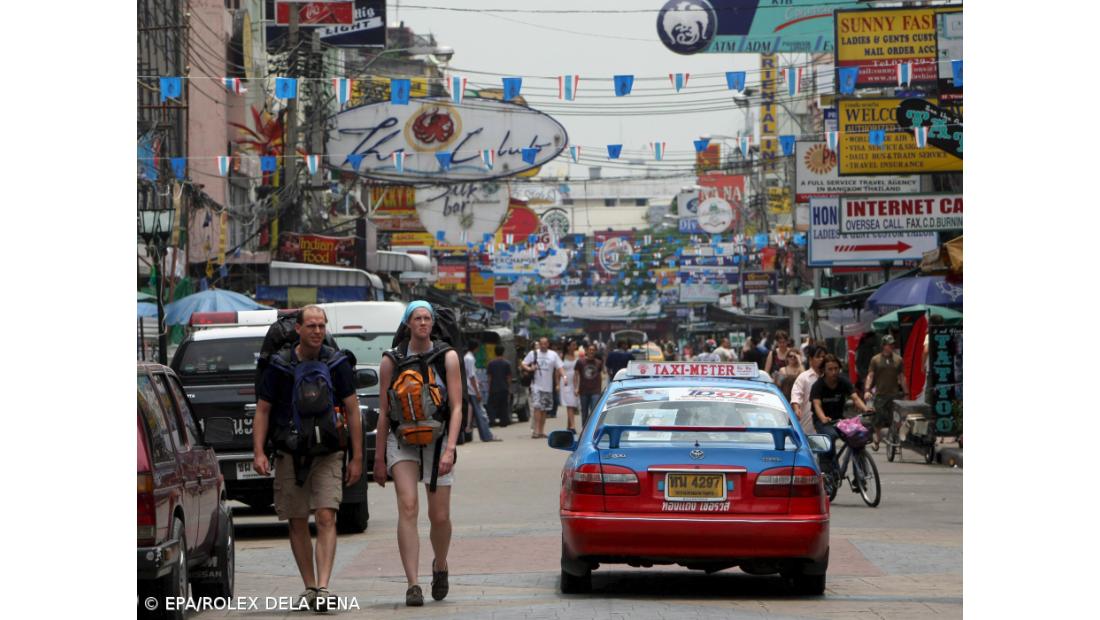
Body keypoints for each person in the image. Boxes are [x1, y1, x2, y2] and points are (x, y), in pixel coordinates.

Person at [252, 306, 362, 612]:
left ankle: (324, 587)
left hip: (329, 451)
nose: (317, 331)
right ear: (297, 329)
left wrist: (357, 458)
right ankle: (310, 587)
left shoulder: (336, 362)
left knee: (327, 516)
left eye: (321, 326)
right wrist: (259, 451)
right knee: (297, 520)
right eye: (311, 326)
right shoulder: (279, 365)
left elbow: (352, 410)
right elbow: (262, 409)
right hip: (289, 452)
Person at [374, 301, 464, 607]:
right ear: (407, 323)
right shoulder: (391, 360)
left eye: (427, 318)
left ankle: (440, 564)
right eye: (417, 318)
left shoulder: (447, 357)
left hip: (438, 442)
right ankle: (412, 583)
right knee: (408, 508)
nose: (423, 323)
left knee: (439, 516)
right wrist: (378, 459)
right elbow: (384, 412)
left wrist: (450, 448)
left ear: (433, 323)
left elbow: (457, 407)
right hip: (402, 442)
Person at [811, 354, 872, 474]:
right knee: (830, 436)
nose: (834, 372)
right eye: (830, 369)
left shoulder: (843, 381)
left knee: (857, 436)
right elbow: (817, 405)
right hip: (823, 422)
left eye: (836, 369)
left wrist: (865, 409)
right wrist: (823, 418)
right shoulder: (818, 386)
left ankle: (860, 475)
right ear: (824, 370)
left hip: (840, 420)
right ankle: (829, 469)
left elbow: (855, 398)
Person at [864, 335, 906, 452]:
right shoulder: (875, 359)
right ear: (883, 345)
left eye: (893, 344)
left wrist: (906, 392)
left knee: (896, 419)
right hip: (881, 395)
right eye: (889, 344)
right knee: (878, 420)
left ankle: (895, 439)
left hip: (894, 395)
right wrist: (867, 390)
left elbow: (902, 377)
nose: (891, 346)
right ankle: (877, 439)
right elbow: (870, 375)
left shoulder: (898, 360)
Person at [521, 337, 564, 439]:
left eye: (545, 344)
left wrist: (564, 377)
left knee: (544, 410)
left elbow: (560, 367)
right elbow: (523, 363)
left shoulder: (553, 355)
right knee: (537, 407)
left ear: (548, 344)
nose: (543, 345)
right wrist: (529, 368)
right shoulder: (533, 353)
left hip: (548, 387)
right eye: (541, 344)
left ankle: (541, 431)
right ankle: (535, 431)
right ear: (539, 344)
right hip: (536, 385)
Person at [463, 341, 501, 442]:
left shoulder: (467, 357)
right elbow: (471, 376)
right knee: (481, 414)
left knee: (475, 413)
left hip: (469, 388)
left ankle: (482, 434)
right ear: (475, 348)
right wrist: (477, 391)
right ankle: (487, 435)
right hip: (472, 390)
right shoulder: (470, 358)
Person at [790, 346, 828, 436]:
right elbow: (796, 395)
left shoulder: (830, 377)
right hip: (807, 427)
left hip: (827, 424)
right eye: (818, 357)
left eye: (824, 357)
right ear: (811, 359)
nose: (822, 359)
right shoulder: (804, 377)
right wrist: (796, 408)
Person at [574, 343, 604, 428]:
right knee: (584, 412)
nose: (591, 351)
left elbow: (600, 375)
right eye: (590, 350)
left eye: (593, 350)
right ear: (586, 351)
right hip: (583, 390)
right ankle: (584, 429)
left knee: (594, 411)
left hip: (595, 390)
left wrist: (600, 389)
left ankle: (592, 429)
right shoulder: (580, 362)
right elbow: (576, 375)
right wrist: (576, 387)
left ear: (595, 351)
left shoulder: (598, 363)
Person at [485, 345, 512, 427]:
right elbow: (509, 377)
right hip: (504, 388)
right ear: (503, 352)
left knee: (492, 406)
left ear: (495, 352)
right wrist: (509, 388)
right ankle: (503, 421)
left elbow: (489, 377)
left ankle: (492, 421)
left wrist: (489, 388)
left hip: (494, 388)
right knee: (503, 405)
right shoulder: (507, 363)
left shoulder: (491, 363)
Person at [560, 340, 581, 432]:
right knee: (570, 404)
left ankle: (569, 426)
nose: (575, 346)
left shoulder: (577, 356)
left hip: (575, 381)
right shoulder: (562, 357)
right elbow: (558, 371)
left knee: (573, 403)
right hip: (566, 381)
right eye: (573, 345)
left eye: (575, 345)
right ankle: (573, 426)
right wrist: (557, 383)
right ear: (568, 346)